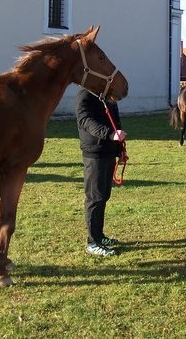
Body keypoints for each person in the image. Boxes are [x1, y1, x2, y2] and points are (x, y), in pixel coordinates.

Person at [75, 88, 127, 256]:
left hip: (109, 152)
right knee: (95, 197)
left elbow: (115, 122)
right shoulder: (85, 95)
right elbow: (85, 120)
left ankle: (99, 236)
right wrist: (109, 134)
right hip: (94, 153)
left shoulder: (107, 96)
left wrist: (120, 149)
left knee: (103, 196)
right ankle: (92, 242)